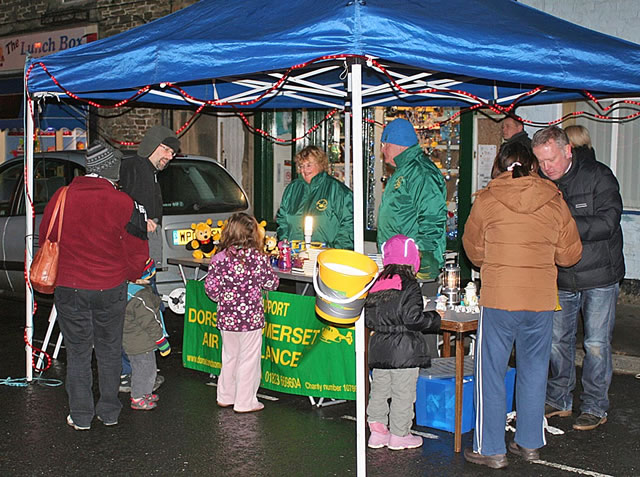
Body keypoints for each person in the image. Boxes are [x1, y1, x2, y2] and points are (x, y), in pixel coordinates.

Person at [462, 142, 582, 468]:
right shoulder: (554, 200)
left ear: (501, 166)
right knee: (534, 373)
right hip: (540, 300)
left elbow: (473, 250)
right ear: (533, 166)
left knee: (491, 374)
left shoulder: (487, 200)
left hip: (500, 299)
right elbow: (570, 254)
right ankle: (529, 443)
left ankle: (491, 449)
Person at [40, 140, 149, 430]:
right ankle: (110, 412)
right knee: (110, 349)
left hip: (70, 286)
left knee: (77, 351)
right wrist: (129, 272)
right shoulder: (124, 202)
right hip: (111, 287)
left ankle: (81, 415)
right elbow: (138, 250)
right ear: (111, 171)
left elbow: (46, 238)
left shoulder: (62, 197)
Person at [532, 126, 625, 432]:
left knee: (596, 343)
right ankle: (559, 399)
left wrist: (565, 225)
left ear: (568, 150)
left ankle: (595, 406)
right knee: (558, 342)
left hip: (599, 274)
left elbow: (608, 223)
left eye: (552, 160)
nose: (547, 168)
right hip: (559, 275)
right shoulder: (541, 182)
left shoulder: (599, 175)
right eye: (541, 161)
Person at [365, 234, 442, 451]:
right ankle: (400, 434)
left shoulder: (377, 282)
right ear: (412, 260)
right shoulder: (410, 285)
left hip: (379, 348)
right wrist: (435, 318)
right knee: (403, 393)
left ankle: (378, 433)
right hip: (404, 350)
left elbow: (369, 317)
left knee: (379, 389)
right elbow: (413, 319)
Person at [118, 125, 180, 392]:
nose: (170, 156)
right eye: (167, 150)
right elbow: (124, 207)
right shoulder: (136, 167)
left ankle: (139, 374)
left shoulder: (148, 171)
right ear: (153, 145)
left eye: (173, 152)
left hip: (143, 257)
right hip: (134, 258)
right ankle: (129, 374)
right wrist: (142, 223)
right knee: (137, 314)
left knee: (145, 313)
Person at [204, 212, 280, 413]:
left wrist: (224, 296)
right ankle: (245, 402)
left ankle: (225, 396)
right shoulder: (257, 258)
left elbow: (211, 290)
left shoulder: (219, 258)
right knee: (249, 360)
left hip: (226, 318)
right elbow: (272, 283)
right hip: (251, 319)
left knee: (229, 356)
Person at [377, 118, 447, 281]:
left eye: (385, 145)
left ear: (397, 145)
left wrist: (420, 256)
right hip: (398, 261)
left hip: (413, 265)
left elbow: (432, 216)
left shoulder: (420, 172)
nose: (383, 150)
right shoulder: (405, 170)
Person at [276, 145, 353, 250]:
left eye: (309, 165)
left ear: (320, 165)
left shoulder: (337, 190)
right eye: (301, 166)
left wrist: (336, 251)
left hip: (325, 257)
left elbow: (349, 224)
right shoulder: (292, 189)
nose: (304, 170)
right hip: (295, 256)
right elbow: (282, 219)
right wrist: (284, 243)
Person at [122, 259, 171, 411]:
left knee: (142, 368)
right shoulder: (141, 297)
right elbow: (150, 321)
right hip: (141, 342)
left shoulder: (126, 290)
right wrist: (161, 341)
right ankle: (138, 397)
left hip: (131, 340)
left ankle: (145, 392)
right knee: (145, 370)